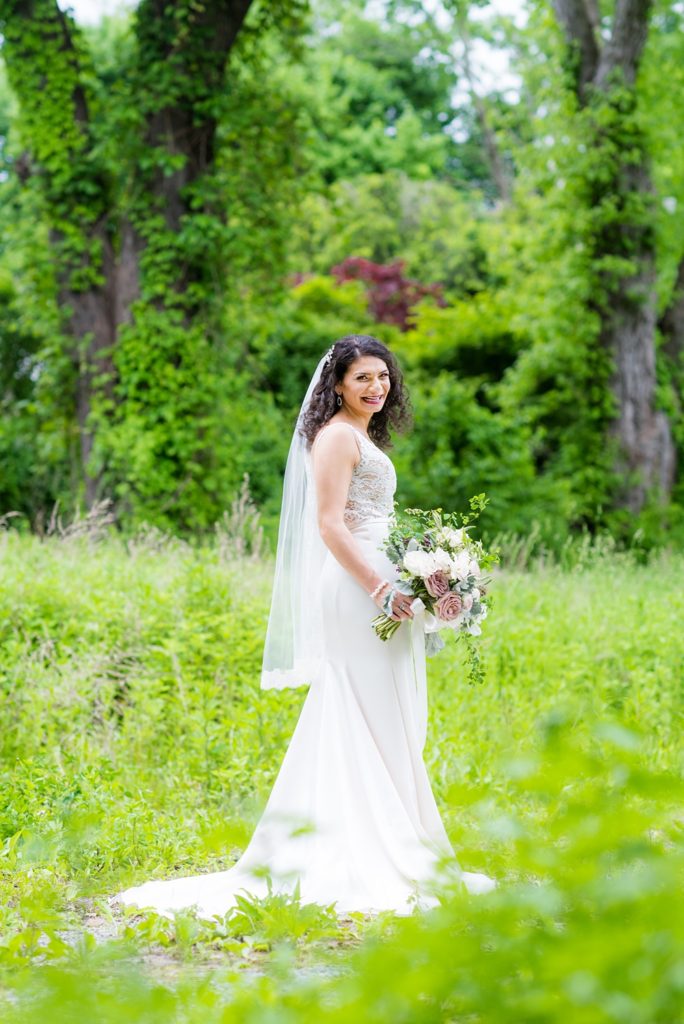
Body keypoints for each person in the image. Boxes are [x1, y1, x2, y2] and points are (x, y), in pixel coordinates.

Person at [113, 335, 495, 919]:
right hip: (357, 589)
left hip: (382, 584)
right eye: (363, 378)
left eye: (383, 377)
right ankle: (368, 849)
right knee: (362, 709)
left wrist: (430, 568)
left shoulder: (361, 434)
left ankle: (398, 837)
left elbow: (372, 518)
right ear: (337, 384)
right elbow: (329, 525)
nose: (376, 387)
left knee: (385, 713)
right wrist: (381, 586)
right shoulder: (337, 436)